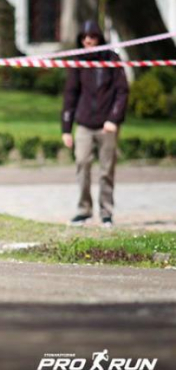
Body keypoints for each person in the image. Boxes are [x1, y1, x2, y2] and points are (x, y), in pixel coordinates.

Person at [61, 20, 129, 227]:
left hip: (106, 125)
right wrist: (66, 129)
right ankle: (84, 210)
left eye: (92, 36)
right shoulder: (78, 61)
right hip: (84, 123)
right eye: (84, 37)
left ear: (99, 37)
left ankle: (106, 212)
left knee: (106, 169)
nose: (88, 40)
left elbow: (122, 91)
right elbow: (71, 94)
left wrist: (114, 119)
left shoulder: (111, 58)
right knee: (82, 164)